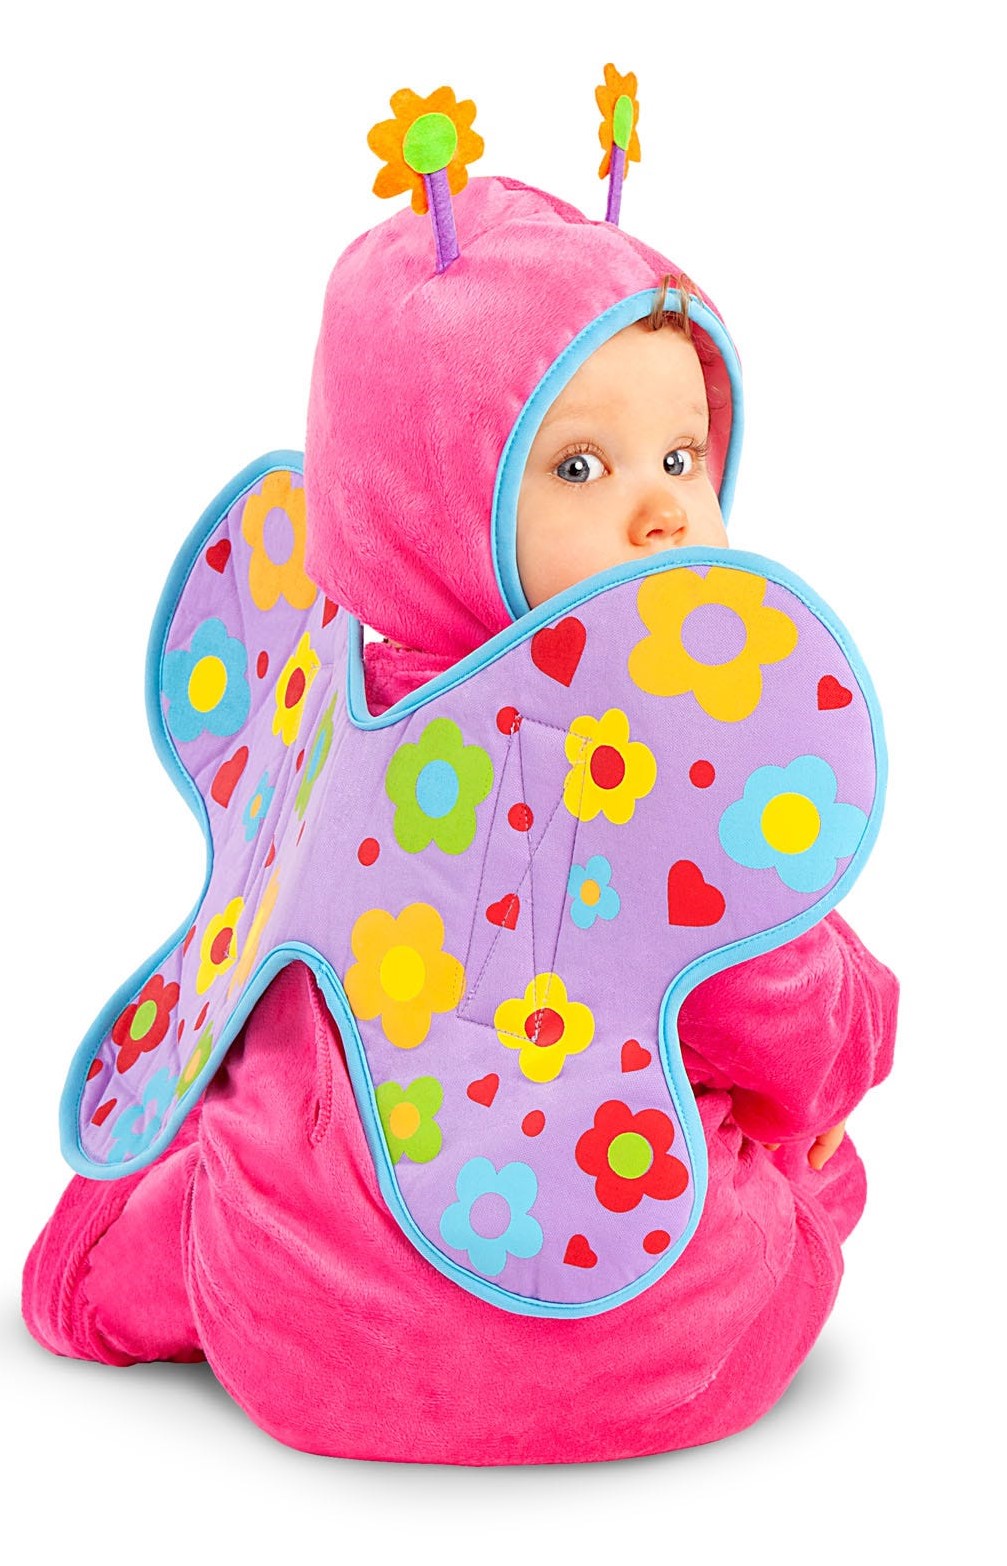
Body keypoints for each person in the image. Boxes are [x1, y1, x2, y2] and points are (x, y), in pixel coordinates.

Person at [22, 173, 898, 1464]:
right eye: (581, 467)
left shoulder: (322, 709)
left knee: (257, 1131)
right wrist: (849, 1046)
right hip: (650, 1347)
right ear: (437, 493)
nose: (664, 508)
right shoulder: (684, 751)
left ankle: (107, 1274)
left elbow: (236, 990)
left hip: (292, 1337)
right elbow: (801, 1025)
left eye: (681, 457)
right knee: (804, 1170)